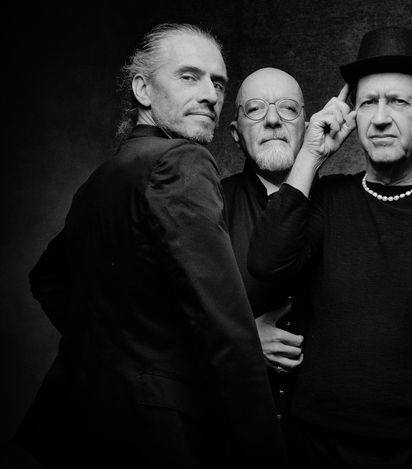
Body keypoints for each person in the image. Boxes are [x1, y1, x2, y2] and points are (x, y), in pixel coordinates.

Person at [14, 23, 286, 468]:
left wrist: (120, 358)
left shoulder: (104, 177)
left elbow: (47, 279)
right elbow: (225, 326)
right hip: (158, 435)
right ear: (142, 89)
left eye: (218, 83)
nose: (210, 95)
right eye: (189, 76)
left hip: (80, 425)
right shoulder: (181, 161)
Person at [248, 26, 412, 469]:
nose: (379, 118)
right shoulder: (326, 198)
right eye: (367, 103)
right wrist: (310, 155)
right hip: (317, 444)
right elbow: (267, 263)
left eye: (398, 102)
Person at [221, 67, 307, 418]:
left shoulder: (342, 206)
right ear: (235, 133)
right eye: (255, 109)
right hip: (233, 424)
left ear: (307, 126)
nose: (273, 120)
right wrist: (239, 339)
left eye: (288, 108)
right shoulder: (206, 207)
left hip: (322, 432)